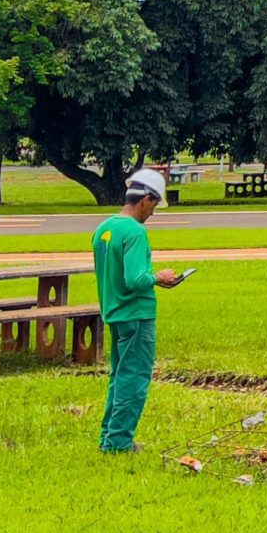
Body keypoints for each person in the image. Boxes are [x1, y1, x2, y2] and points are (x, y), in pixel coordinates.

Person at [91, 167, 186, 454]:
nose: (153, 213)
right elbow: (135, 280)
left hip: (115, 312)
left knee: (119, 376)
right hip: (136, 314)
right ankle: (120, 442)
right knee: (134, 378)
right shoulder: (135, 232)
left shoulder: (104, 229)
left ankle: (109, 437)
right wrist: (160, 277)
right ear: (145, 199)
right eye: (154, 205)